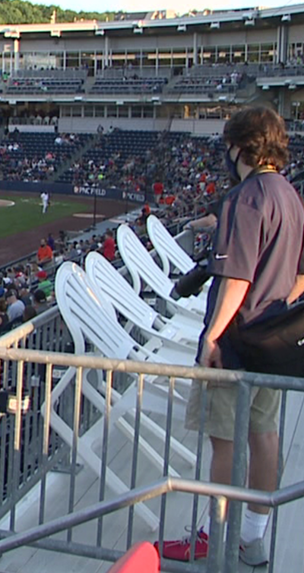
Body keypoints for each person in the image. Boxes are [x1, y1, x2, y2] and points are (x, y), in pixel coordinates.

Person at [158, 107, 304, 566]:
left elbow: (235, 279)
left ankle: (211, 535)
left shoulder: (247, 196)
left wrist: (212, 338)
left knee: (225, 440)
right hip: (272, 341)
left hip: (237, 344)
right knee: (264, 436)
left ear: (240, 147)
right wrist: (275, 311)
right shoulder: (290, 195)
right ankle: (254, 537)